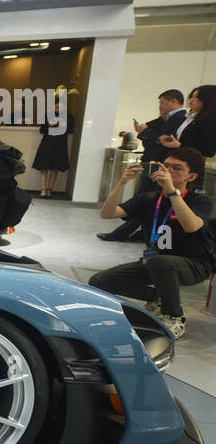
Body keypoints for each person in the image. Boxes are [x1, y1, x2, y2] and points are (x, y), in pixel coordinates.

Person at [90, 146, 213, 338]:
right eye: (166, 166)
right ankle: (157, 298)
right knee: (99, 281)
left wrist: (172, 192)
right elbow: (107, 214)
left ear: (192, 177)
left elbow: (192, 226)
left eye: (177, 168)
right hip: (154, 263)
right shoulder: (149, 199)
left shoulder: (200, 201)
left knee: (161, 262)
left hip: (194, 265)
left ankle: (174, 316)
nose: (168, 171)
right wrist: (122, 182)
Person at [100, 89, 189, 241]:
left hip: (161, 165)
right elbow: (152, 138)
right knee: (147, 200)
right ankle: (134, 233)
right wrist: (145, 132)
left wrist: (147, 131)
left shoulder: (180, 119)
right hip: (153, 162)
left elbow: (163, 139)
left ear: (174, 101)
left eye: (162, 102)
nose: (160, 106)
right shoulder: (167, 119)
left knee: (149, 199)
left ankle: (124, 233)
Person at [33, 90, 75, 198]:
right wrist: (50, 126)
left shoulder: (68, 117)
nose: (58, 110)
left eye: (60, 108)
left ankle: (49, 189)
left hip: (60, 145)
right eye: (56, 108)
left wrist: (60, 125)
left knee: (55, 168)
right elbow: (41, 130)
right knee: (44, 168)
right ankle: (42, 190)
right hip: (47, 143)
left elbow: (70, 131)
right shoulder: (49, 115)